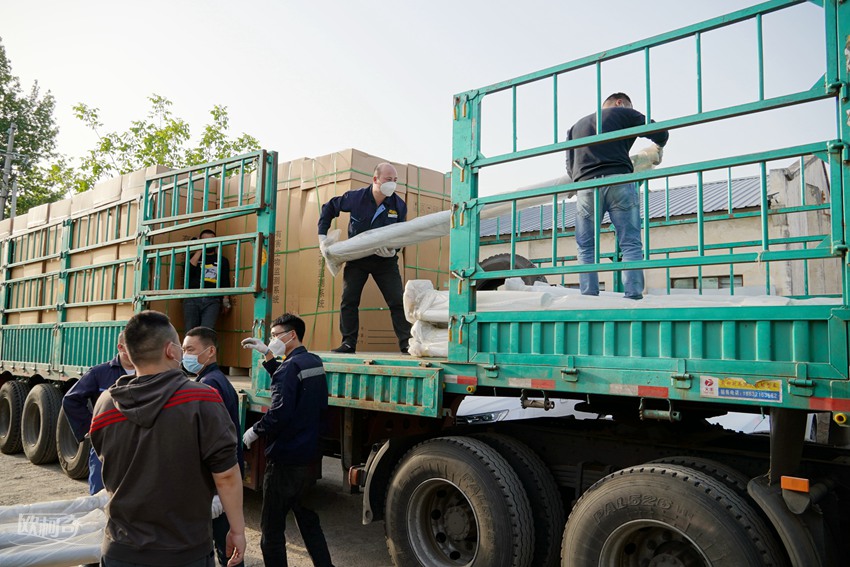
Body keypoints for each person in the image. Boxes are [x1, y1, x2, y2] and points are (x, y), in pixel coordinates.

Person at [90, 311, 245, 567]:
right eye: (180, 345)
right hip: (184, 551)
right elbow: (226, 475)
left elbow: (106, 460)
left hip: (120, 550)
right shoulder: (201, 399)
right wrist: (237, 530)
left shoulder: (106, 404)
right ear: (171, 350)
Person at [241, 314, 334, 567]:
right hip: (308, 454)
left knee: (271, 530)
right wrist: (269, 357)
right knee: (307, 520)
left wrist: (254, 431)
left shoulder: (290, 367)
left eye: (275, 335)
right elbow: (291, 382)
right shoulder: (312, 361)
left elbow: (280, 412)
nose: (272, 340)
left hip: (285, 460)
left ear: (291, 335)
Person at [566, 92, 669, 300]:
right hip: (619, 180)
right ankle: (633, 296)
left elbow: (570, 167)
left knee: (586, 246)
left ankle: (588, 297)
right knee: (630, 243)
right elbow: (660, 133)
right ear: (620, 103)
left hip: (586, 186)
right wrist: (658, 146)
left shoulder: (574, 127)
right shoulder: (623, 113)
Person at [317, 163, 412, 354]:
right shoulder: (356, 198)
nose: (392, 184)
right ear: (375, 179)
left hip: (384, 260)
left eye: (395, 180)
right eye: (388, 179)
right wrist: (322, 237)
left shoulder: (398, 205)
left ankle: (407, 344)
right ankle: (348, 343)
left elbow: (403, 233)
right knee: (349, 300)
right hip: (357, 258)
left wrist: (394, 250)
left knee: (396, 300)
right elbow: (328, 208)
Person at [182, 326, 245, 567]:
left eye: (190, 349)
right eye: (183, 348)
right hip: (218, 481)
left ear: (210, 352)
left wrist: (218, 492)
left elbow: (211, 441)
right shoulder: (212, 379)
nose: (185, 354)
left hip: (215, 483)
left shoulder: (210, 385)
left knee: (226, 548)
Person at [61, 332, 135, 495]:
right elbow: (72, 399)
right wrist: (90, 427)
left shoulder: (145, 373)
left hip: (136, 442)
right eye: (130, 348)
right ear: (120, 347)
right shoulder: (100, 373)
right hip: (105, 443)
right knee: (100, 493)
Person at [184, 229, 234, 330]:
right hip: (192, 298)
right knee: (190, 331)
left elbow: (225, 280)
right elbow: (187, 271)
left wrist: (226, 301)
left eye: (211, 240)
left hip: (212, 299)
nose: (208, 243)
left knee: (207, 331)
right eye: (204, 240)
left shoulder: (222, 260)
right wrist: (199, 249)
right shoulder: (193, 257)